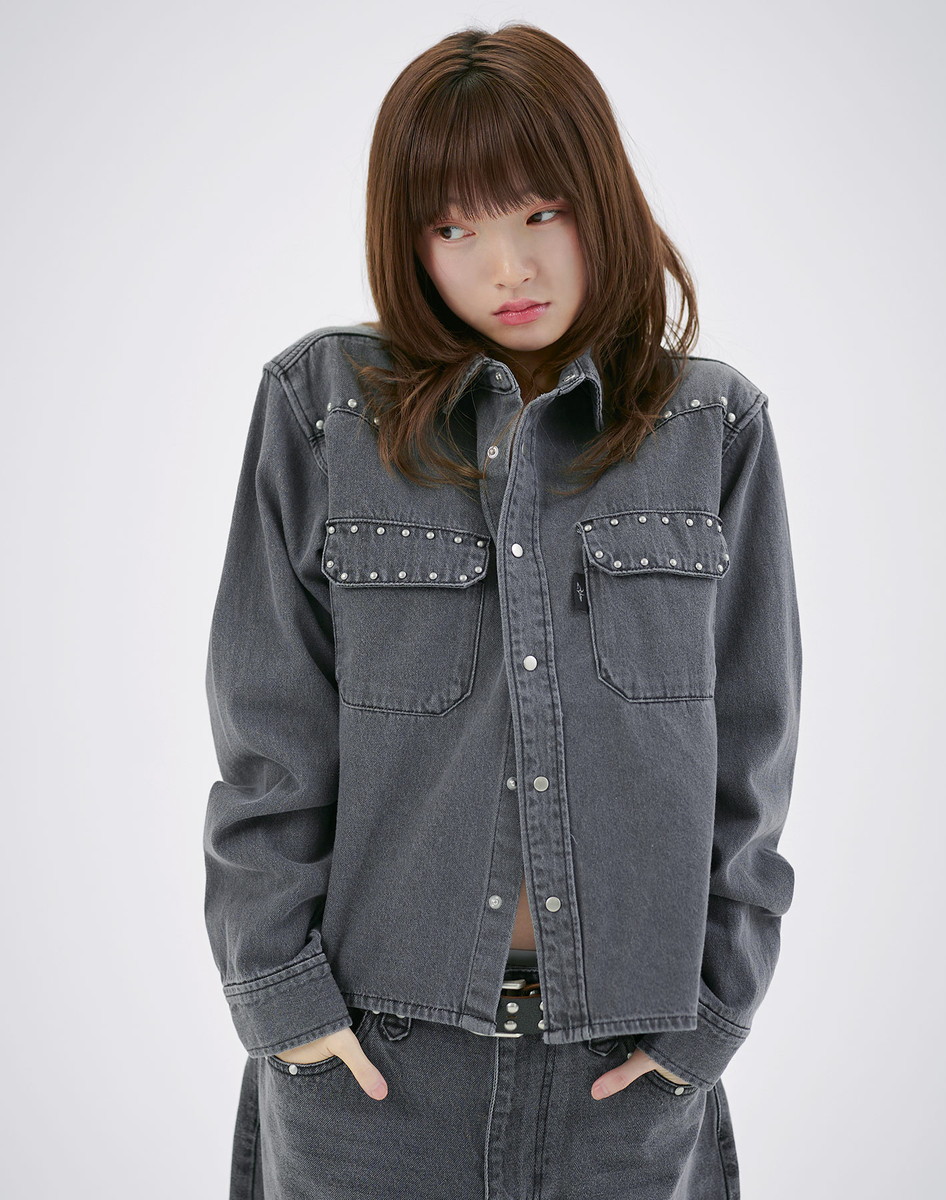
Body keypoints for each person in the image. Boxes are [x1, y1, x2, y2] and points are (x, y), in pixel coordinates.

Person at [203, 21, 802, 1200]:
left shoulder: (712, 428)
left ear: (600, 199)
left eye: (538, 212)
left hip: (626, 1078)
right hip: (372, 1074)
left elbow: (753, 751)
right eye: (454, 228)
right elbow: (268, 740)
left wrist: (711, 1017)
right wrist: (288, 1008)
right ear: (408, 239)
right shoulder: (323, 409)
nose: (506, 267)